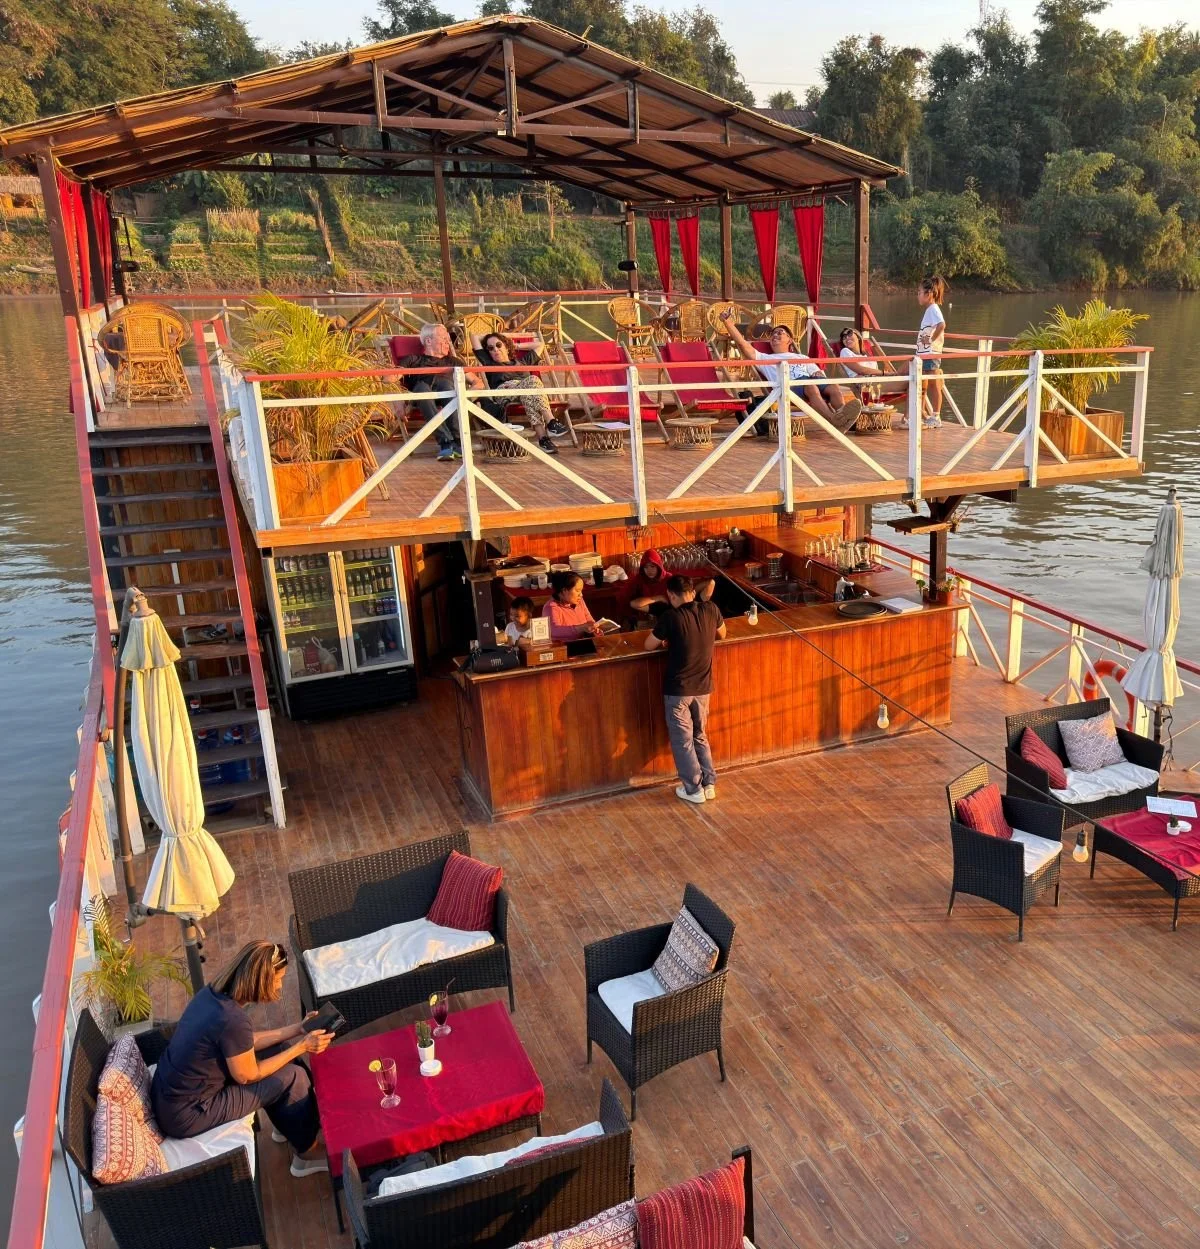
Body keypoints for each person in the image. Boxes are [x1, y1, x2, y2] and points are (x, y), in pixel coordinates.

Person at [150, 941, 333, 1178]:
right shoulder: (232, 1018)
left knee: (278, 1049)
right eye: (278, 978)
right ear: (262, 979)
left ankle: (290, 1125)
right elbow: (247, 1074)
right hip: (188, 1113)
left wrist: (299, 1029)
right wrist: (302, 1047)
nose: (279, 985)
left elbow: (245, 1043)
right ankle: (307, 1154)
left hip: (172, 1095)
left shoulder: (212, 997)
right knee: (292, 1076)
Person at [644, 574, 726, 806]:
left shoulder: (670, 617)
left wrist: (667, 641)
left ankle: (693, 788)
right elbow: (723, 634)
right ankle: (709, 784)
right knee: (700, 734)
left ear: (670, 595)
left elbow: (648, 644)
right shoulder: (711, 609)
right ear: (692, 590)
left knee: (683, 740)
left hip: (678, 689)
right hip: (703, 687)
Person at [720, 312, 862, 433]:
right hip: (789, 386)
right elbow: (743, 345)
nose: (775, 335)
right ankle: (833, 421)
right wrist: (728, 324)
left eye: (780, 333)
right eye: (773, 334)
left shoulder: (802, 357)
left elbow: (817, 374)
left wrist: (819, 376)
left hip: (809, 381)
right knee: (811, 387)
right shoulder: (765, 358)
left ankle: (844, 417)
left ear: (790, 340)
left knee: (833, 387)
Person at [398, 323, 484, 462]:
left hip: (449, 395)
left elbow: (478, 383)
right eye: (443, 338)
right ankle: (446, 442)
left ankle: (455, 442)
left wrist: (465, 397)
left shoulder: (453, 361)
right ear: (428, 341)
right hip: (423, 397)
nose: (448, 343)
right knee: (422, 388)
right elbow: (388, 380)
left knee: (446, 385)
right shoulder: (413, 360)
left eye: (448, 339)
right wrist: (397, 401)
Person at [473, 331, 569, 455]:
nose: (495, 350)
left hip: (526, 392)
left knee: (529, 393)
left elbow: (540, 344)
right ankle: (551, 421)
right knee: (533, 380)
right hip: (504, 393)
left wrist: (515, 345)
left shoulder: (522, 361)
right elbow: (474, 337)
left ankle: (543, 439)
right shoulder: (489, 362)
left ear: (506, 347)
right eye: (490, 348)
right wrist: (494, 340)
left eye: (498, 345)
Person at [911, 274, 947, 429]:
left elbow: (941, 325)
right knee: (925, 384)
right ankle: (923, 414)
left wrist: (931, 340)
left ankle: (936, 416)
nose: (917, 296)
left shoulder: (933, 309)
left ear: (929, 294)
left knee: (934, 384)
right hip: (925, 353)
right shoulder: (929, 310)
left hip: (931, 353)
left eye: (919, 292)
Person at [543, 571, 601, 641]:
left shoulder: (579, 600)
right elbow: (553, 630)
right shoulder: (551, 607)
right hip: (564, 647)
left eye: (581, 591)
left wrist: (594, 628)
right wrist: (580, 628)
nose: (581, 595)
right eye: (577, 590)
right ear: (564, 590)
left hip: (583, 641)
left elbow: (588, 617)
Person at [628, 548, 668, 613]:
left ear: (659, 566)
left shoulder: (668, 579)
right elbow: (633, 603)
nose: (649, 571)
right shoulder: (641, 579)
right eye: (646, 567)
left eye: (652, 566)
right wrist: (659, 598)